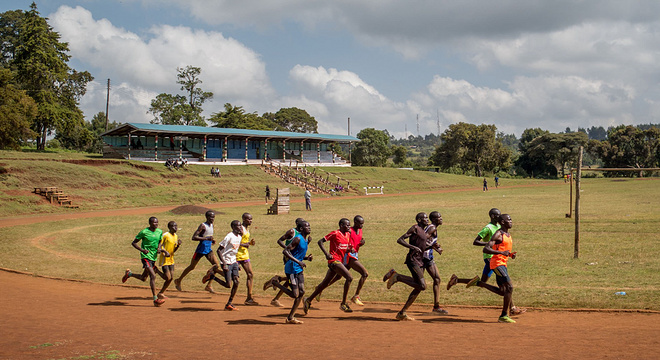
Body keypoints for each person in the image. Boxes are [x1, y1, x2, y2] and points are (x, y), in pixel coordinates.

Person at [446, 208, 525, 316]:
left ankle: (457, 280)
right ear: (493, 216)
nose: (500, 217)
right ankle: (512, 308)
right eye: (498, 215)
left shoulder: (499, 227)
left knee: (488, 283)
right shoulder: (488, 228)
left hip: (497, 257)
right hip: (490, 257)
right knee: (507, 286)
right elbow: (476, 241)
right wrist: (491, 245)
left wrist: (507, 253)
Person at [382, 212, 433, 321]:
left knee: (418, 287)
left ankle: (402, 312)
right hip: (412, 260)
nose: (427, 219)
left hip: (420, 261)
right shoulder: (414, 228)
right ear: (419, 220)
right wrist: (412, 247)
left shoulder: (423, 231)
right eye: (425, 218)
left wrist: (433, 247)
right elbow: (400, 239)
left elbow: (422, 246)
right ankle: (397, 277)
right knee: (422, 286)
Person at [302, 218, 353, 314]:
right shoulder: (335, 233)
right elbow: (320, 242)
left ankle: (308, 300)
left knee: (324, 284)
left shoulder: (347, 235)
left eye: (349, 225)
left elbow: (342, 248)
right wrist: (326, 254)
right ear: (341, 225)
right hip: (334, 261)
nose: (349, 227)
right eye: (347, 225)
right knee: (349, 277)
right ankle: (343, 303)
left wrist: (349, 250)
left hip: (339, 261)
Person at [266, 221, 313, 324]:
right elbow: (286, 251)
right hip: (291, 269)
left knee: (301, 292)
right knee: (295, 294)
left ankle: (290, 317)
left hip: (299, 269)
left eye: (309, 226)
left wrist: (306, 258)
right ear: (300, 229)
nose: (309, 228)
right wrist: (298, 261)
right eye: (306, 226)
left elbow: (296, 254)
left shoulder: (305, 240)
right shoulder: (298, 238)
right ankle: (275, 283)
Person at [320, 215, 369, 306]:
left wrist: (361, 243)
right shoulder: (349, 231)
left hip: (354, 254)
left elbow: (355, 243)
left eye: (363, 223)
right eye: (360, 223)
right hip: (349, 256)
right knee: (364, 273)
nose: (362, 225)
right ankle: (355, 296)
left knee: (337, 277)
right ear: (355, 222)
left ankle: (320, 289)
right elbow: (344, 242)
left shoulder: (360, 231)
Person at [121, 217, 166, 307]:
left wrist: (159, 248)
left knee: (143, 278)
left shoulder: (159, 231)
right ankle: (155, 299)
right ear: (150, 223)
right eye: (154, 223)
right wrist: (142, 250)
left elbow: (160, 241)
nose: (156, 224)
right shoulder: (144, 232)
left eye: (157, 222)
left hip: (153, 257)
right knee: (153, 276)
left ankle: (129, 274)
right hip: (145, 257)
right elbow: (134, 243)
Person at [174, 210, 221, 293]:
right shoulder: (203, 226)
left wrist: (211, 240)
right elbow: (194, 237)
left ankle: (209, 285)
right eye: (210, 217)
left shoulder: (211, 225)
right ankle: (178, 280)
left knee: (216, 266)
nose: (212, 219)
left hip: (208, 249)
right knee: (192, 266)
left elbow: (208, 236)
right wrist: (206, 239)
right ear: (206, 217)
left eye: (213, 217)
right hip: (200, 250)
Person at [264, 218, 307, 307]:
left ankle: (276, 292)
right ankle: (276, 286)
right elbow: (279, 241)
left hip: (295, 258)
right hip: (289, 258)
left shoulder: (303, 235)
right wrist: (287, 249)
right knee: (292, 279)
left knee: (290, 280)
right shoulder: (292, 232)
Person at [483, 214, 518, 323]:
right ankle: (504, 315)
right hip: (496, 264)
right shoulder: (498, 234)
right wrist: (501, 252)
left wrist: (509, 254)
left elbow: (503, 248)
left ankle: (479, 283)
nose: (511, 221)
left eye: (511, 219)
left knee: (503, 291)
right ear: (502, 222)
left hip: (503, 263)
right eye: (509, 220)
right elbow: (486, 249)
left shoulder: (507, 234)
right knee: (509, 287)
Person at [203, 220, 243, 311]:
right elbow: (218, 250)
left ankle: (229, 304)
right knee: (228, 285)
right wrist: (224, 263)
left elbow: (234, 251)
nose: (240, 227)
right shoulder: (229, 237)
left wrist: (236, 262)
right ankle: (212, 277)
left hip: (233, 262)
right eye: (238, 226)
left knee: (236, 282)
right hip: (226, 262)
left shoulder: (239, 237)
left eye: (240, 225)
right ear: (233, 227)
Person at [424, 211, 449, 314]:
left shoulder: (432, 228)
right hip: (425, 256)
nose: (441, 219)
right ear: (434, 219)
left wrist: (436, 246)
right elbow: (423, 240)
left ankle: (436, 306)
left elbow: (429, 240)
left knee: (435, 279)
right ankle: (436, 307)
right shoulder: (432, 228)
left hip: (425, 256)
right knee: (436, 279)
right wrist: (433, 247)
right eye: (439, 217)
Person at [236, 213, 258, 305]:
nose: (251, 221)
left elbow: (244, 242)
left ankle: (249, 298)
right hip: (236, 255)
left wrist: (249, 243)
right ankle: (213, 273)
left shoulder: (246, 229)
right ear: (244, 219)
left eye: (251, 219)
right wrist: (246, 244)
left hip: (244, 255)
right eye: (249, 219)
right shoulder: (240, 229)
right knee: (232, 278)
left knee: (250, 274)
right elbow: (235, 242)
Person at [156, 221, 181, 300]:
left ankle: (161, 293)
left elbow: (173, 250)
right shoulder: (165, 235)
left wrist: (178, 246)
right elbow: (159, 247)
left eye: (176, 226)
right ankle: (156, 270)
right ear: (169, 227)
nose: (175, 228)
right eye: (174, 226)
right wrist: (164, 251)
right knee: (167, 277)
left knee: (171, 278)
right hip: (164, 259)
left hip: (171, 259)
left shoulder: (175, 236)